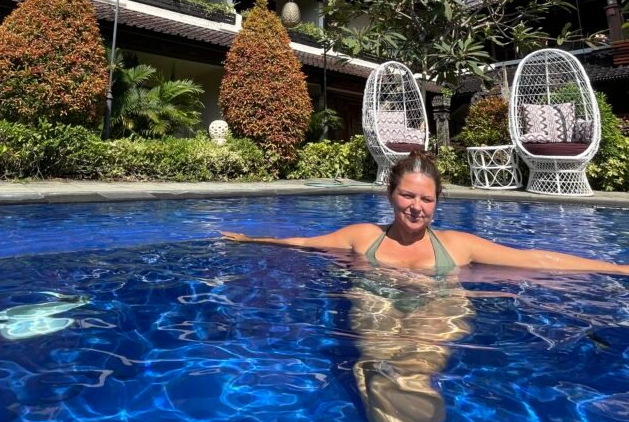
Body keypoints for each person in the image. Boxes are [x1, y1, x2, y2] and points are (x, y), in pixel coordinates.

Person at [223, 150, 629, 275]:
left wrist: (618, 269)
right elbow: (303, 243)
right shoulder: (363, 237)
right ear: (391, 195)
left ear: (436, 202)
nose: (416, 207)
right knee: (380, 367)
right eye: (407, 196)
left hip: (434, 322)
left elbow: (537, 259)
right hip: (379, 320)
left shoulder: (457, 245)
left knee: (416, 382)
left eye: (427, 199)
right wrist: (251, 240)